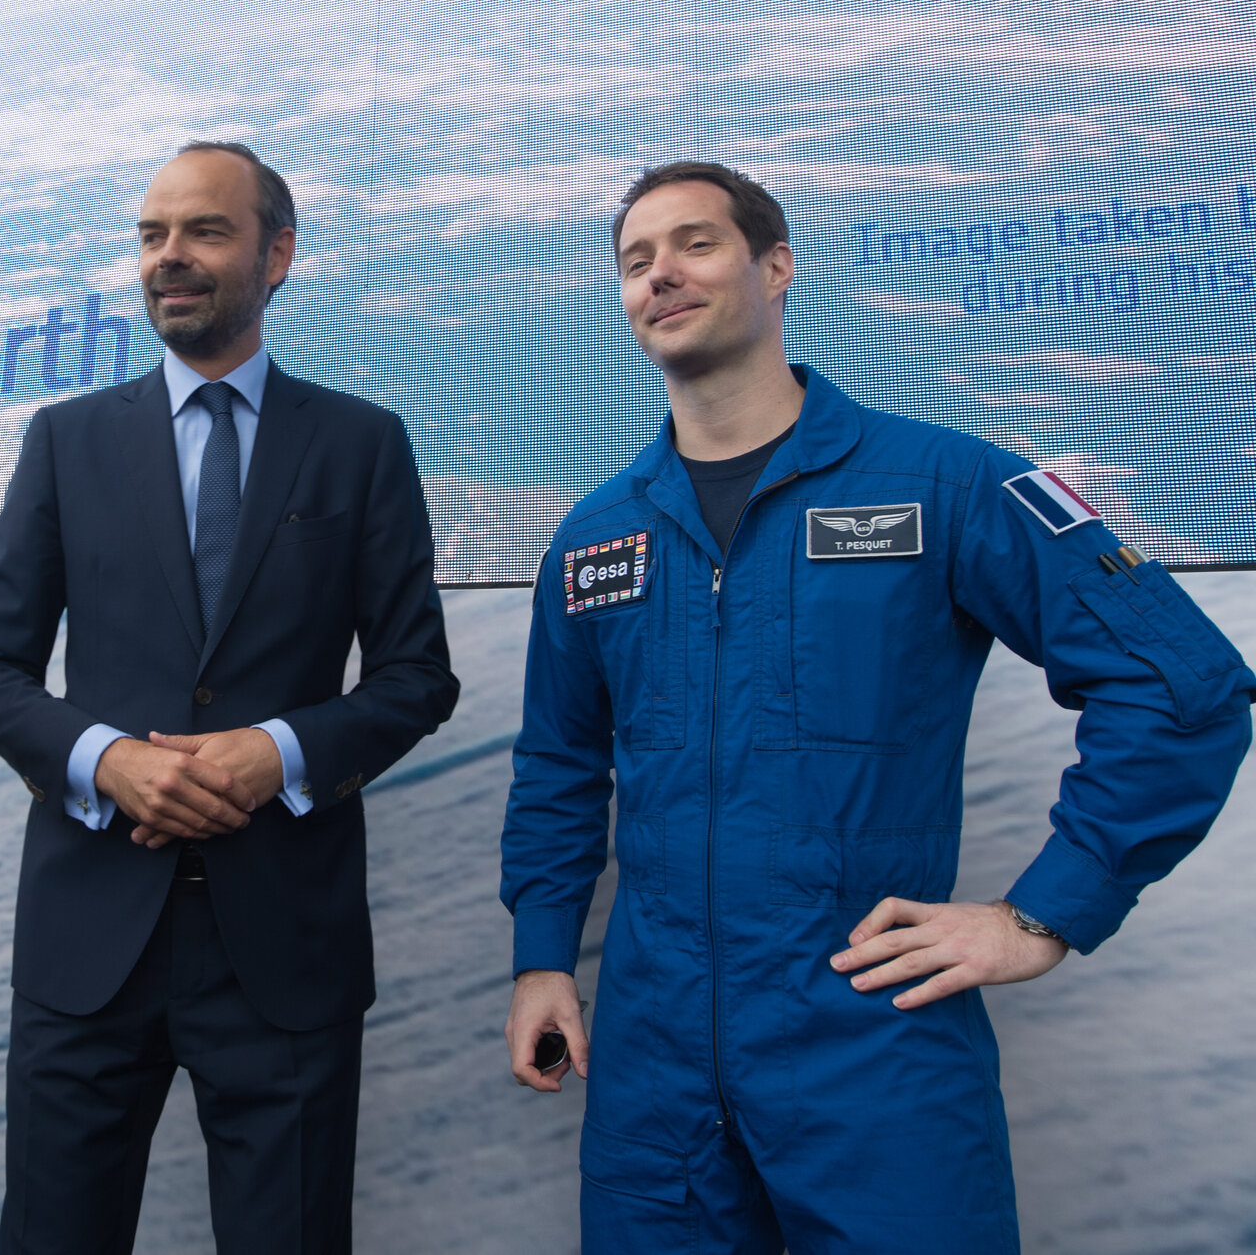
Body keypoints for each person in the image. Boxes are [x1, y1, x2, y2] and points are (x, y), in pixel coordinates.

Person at [499, 161, 1254, 1254]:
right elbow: (560, 766)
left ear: (777, 267)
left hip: (872, 1050)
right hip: (652, 1077)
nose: (660, 274)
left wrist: (1043, 914)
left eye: (695, 244)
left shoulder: (943, 485)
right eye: (634, 262)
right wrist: (540, 960)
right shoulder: (596, 538)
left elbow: (1182, 685)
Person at [0, 140, 458, 1253]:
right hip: (89, 944)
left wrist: (277, 751)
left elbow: (420, 676)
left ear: (277, 254)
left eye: (204, 232)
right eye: (151, 235)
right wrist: (105, 761)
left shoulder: (362, 444)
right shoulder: (65, 440)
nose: (168, 258)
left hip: (285, 948)